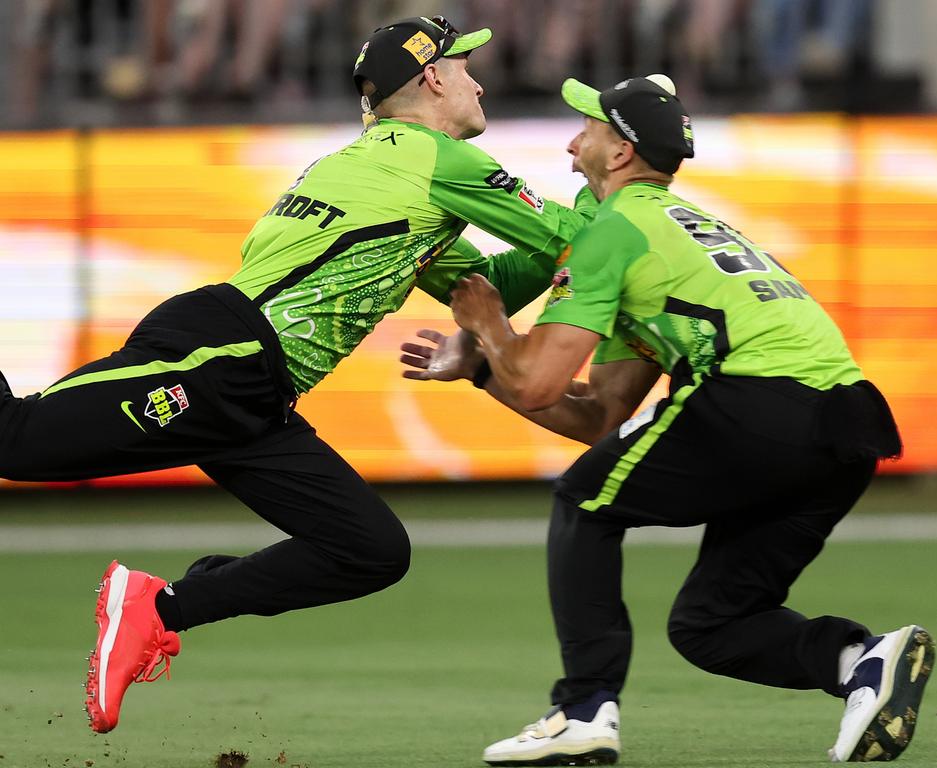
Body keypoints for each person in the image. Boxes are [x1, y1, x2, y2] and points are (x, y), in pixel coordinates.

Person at [0, 15, 597, 734]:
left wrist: (541, 268)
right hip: (220, 360)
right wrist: (599, 206)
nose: (476, 80)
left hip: (253, 390)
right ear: (433, 77)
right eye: (466, 66)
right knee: (13, 440)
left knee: (368, 552)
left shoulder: (381, 168)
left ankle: (159, 610)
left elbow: (481, 289)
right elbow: (582, 248)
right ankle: (152, 608)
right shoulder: (438, 162)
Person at [400, 73, 934, 765]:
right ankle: (862, 661)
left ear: (619, 153)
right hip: (845, 423)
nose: (570, 146)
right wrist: (480, 371)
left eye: (586, 129)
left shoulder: (616, 230)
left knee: (582, 501)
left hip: (758, 399)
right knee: (711, 625)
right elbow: (599, 417)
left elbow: (536, 384)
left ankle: (583, 709)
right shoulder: (674, 229)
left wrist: (488, 327)